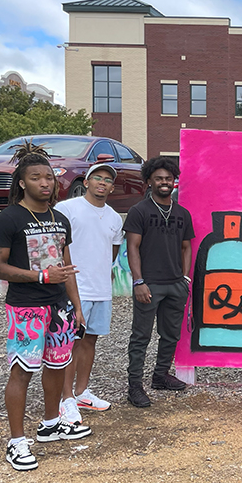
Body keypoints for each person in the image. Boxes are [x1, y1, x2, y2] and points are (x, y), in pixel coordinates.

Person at [0, 142, 90, 471]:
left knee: (58, 366)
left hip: (59, 307)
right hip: (27, 308)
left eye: (50, 177)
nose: (46, 183)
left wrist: (76, 306)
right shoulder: (7, 219)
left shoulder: (60, 219)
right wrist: (40, 275)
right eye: (36, 178)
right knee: (22, 372)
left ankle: (50, 424)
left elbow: (67, 266)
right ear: (22, 182)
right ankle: (16, 442)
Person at [55, 162, 124, 423]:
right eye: (97, 177)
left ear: (112, 187)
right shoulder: (67, 209)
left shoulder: (115, 218)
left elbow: (113, 252)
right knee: (69, 343)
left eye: (107, 179)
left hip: (101, 290)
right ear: (86, 181)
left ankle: (82, 391)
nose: (102, 182)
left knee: (90, 340)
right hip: (75, 289)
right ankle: (65, 398)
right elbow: (57, 247)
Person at [126, 157, 194, 408]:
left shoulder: (182, 213)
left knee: (171, 335)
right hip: (149, 285)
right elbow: (132, 247)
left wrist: (185, 278)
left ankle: (161, 376)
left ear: (174, 181)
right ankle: (134, 387)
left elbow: (186, 247)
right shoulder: (139, 211)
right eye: (159, 178)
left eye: (168, 178)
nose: (164, 182)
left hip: (176, 284)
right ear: (149, 181)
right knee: (140, 337)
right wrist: (139, 281)